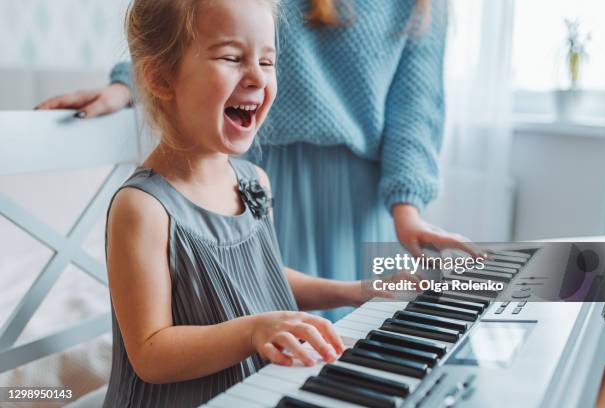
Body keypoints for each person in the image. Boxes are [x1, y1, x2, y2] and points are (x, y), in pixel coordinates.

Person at [38, 0, 478, 320]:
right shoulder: (221, 188)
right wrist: (126, 86)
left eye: (269, 62)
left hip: (361, 201)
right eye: (239, 60)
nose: (256, 73)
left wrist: (407, 209)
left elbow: (415, 112)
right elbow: (184, 29)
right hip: (267, 172)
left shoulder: (423, 7)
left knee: (367, 346)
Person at [99, 0, 401, 405]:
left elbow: (265, 275)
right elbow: (151, 353)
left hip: (255, 392)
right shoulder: (143, 208)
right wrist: (252, 332)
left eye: (268, 61)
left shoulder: (253, 182)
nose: (257, 77)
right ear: (161, 78)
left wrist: (356, 290)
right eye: (231, 57)